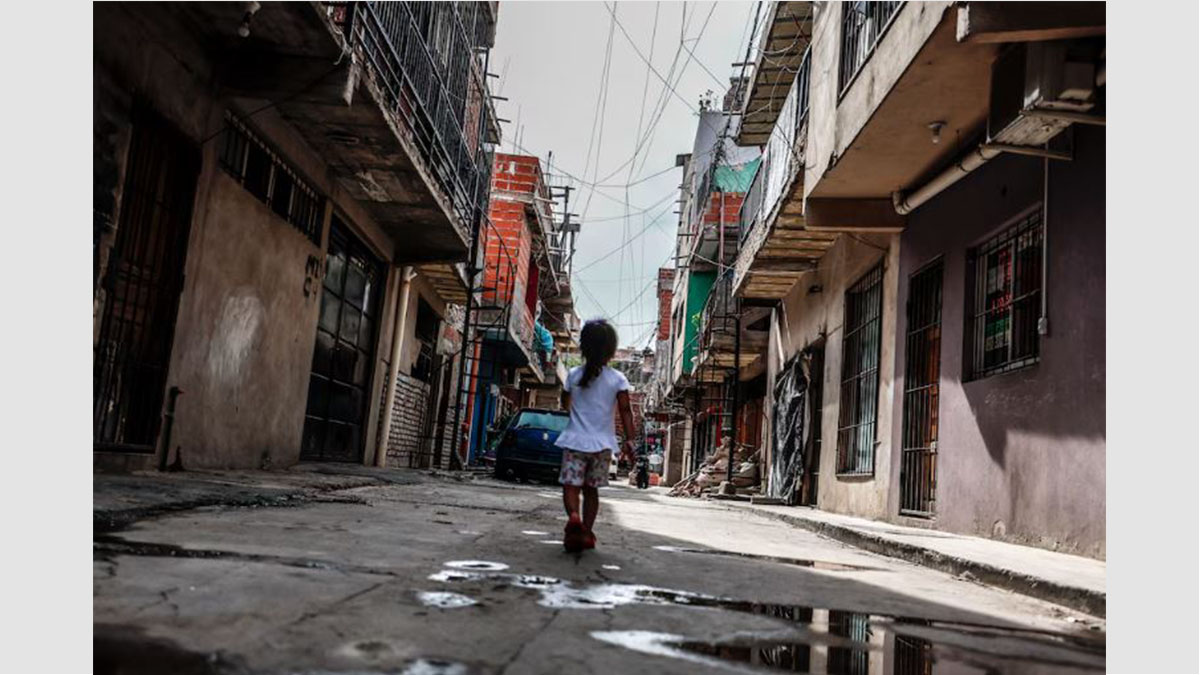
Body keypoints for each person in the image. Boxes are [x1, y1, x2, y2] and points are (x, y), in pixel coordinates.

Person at [554, 319, 636, 553]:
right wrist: (630, 440)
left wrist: (576, 415)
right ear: (611, 350)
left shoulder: (573, 375)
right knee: (591, 491)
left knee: (571, 485)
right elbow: (626, 411)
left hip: (574, 441)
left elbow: (565, 402)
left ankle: (573, 516)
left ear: (584, 347)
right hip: (602, 445)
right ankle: (586, 532)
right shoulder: (618, 379)